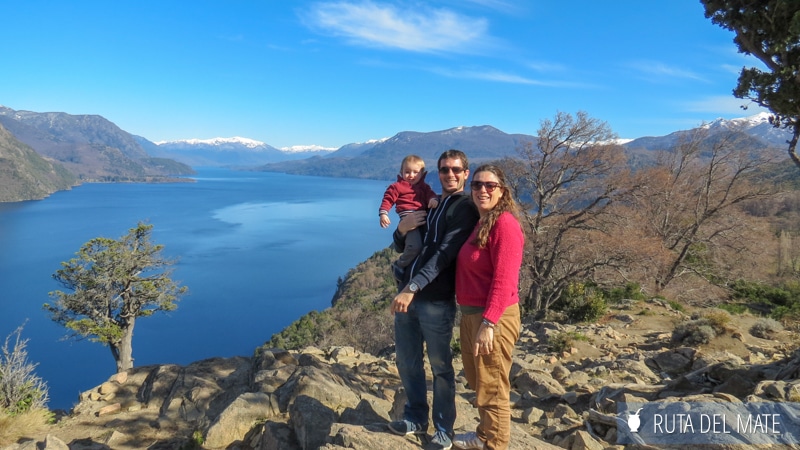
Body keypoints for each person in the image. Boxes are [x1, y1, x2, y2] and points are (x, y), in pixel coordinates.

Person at [388, 149, 479, 450]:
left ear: (466, 173)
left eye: (455, 170)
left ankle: (443, 430)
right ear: (436, 174)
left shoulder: (464, 207)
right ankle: (415, 418)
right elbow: (409, 242)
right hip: (409, 295)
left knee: (440, 367)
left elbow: (443, 255)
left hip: (434, 300)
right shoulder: (434, 202)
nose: (449, 175)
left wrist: (411, 288)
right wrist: (401, 230)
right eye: (444, 170)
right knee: (407, 361)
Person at [452, 164, 524, 450]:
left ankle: (495, 443)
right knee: (478, 379)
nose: (482, 190)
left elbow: (504, 279)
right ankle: (484, 435)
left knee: (493, 387)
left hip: (493, 317)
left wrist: (490, 323)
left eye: (490, 186)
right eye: (477, 185)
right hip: (472, 315)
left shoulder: (504, 224)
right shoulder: (481, 222)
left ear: (501, 191)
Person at [379, 154, 439, 272]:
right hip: (408, 219)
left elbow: (431, 195)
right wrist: (383, 213)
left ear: (422, 173)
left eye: (415, 172)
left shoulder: (424, 187)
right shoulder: (396, 187)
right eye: (407, 172)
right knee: (414, 247)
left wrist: (433, 200)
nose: (411, 175)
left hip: (422, 218)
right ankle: (400, 266)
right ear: (401, 172)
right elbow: (388, 199)